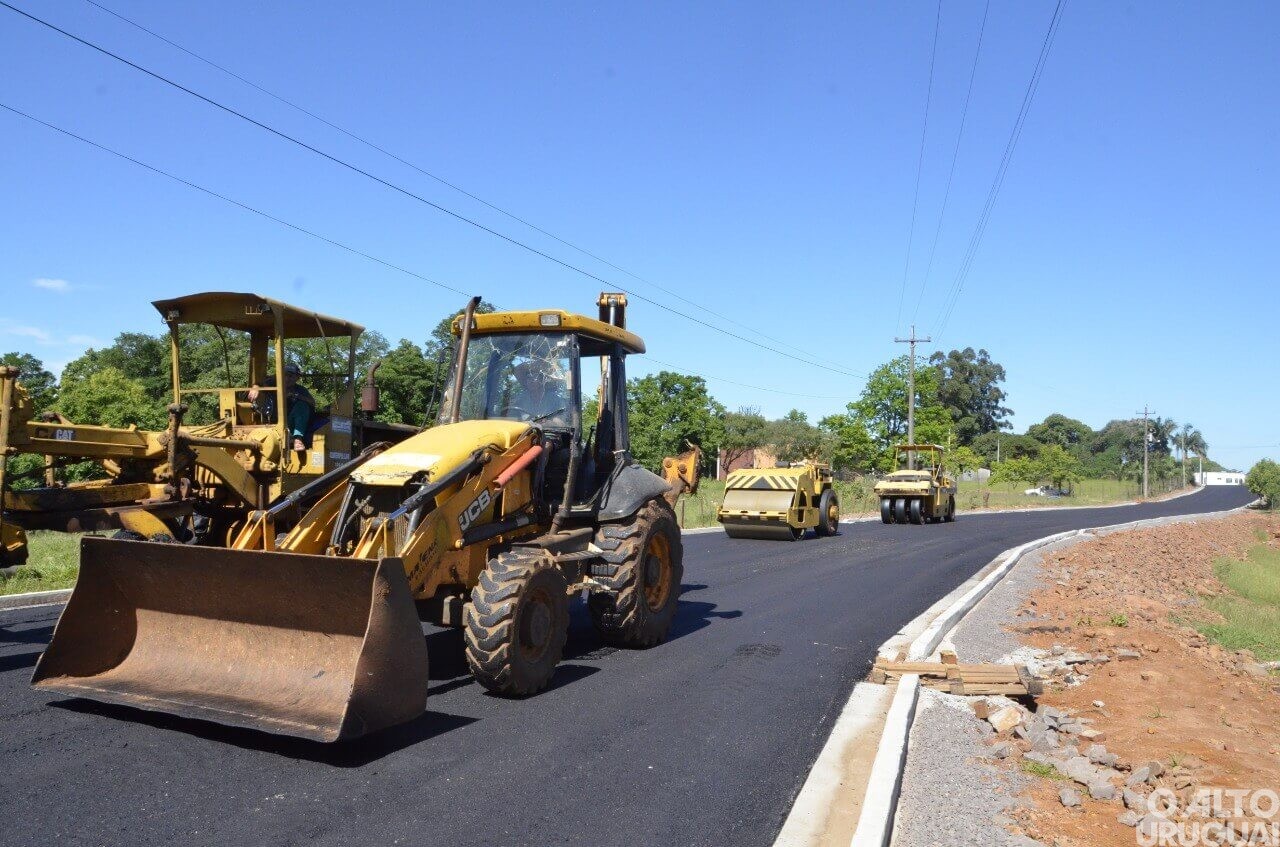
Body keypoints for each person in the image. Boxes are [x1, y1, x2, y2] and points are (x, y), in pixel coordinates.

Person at [247, 363, 315, 451]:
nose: (287, 379)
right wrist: (255, 387)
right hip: (271, 423)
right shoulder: (272, 384)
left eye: (290, 376)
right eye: (284, 375)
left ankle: (297, 439)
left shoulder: (300, 390)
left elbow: (312, 402)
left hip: (290, 424)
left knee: (303, 406)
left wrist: (297, 396)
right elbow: (259, 383)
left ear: (297, 378)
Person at [508, 358, 567, 424]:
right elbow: (510, 420)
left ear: (542, 380)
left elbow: (561, 423)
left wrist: (550, 422)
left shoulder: (555, 400)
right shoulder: (520, 399)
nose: (531, 380)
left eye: (534, 377)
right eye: (528, 377)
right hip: (524, 433)